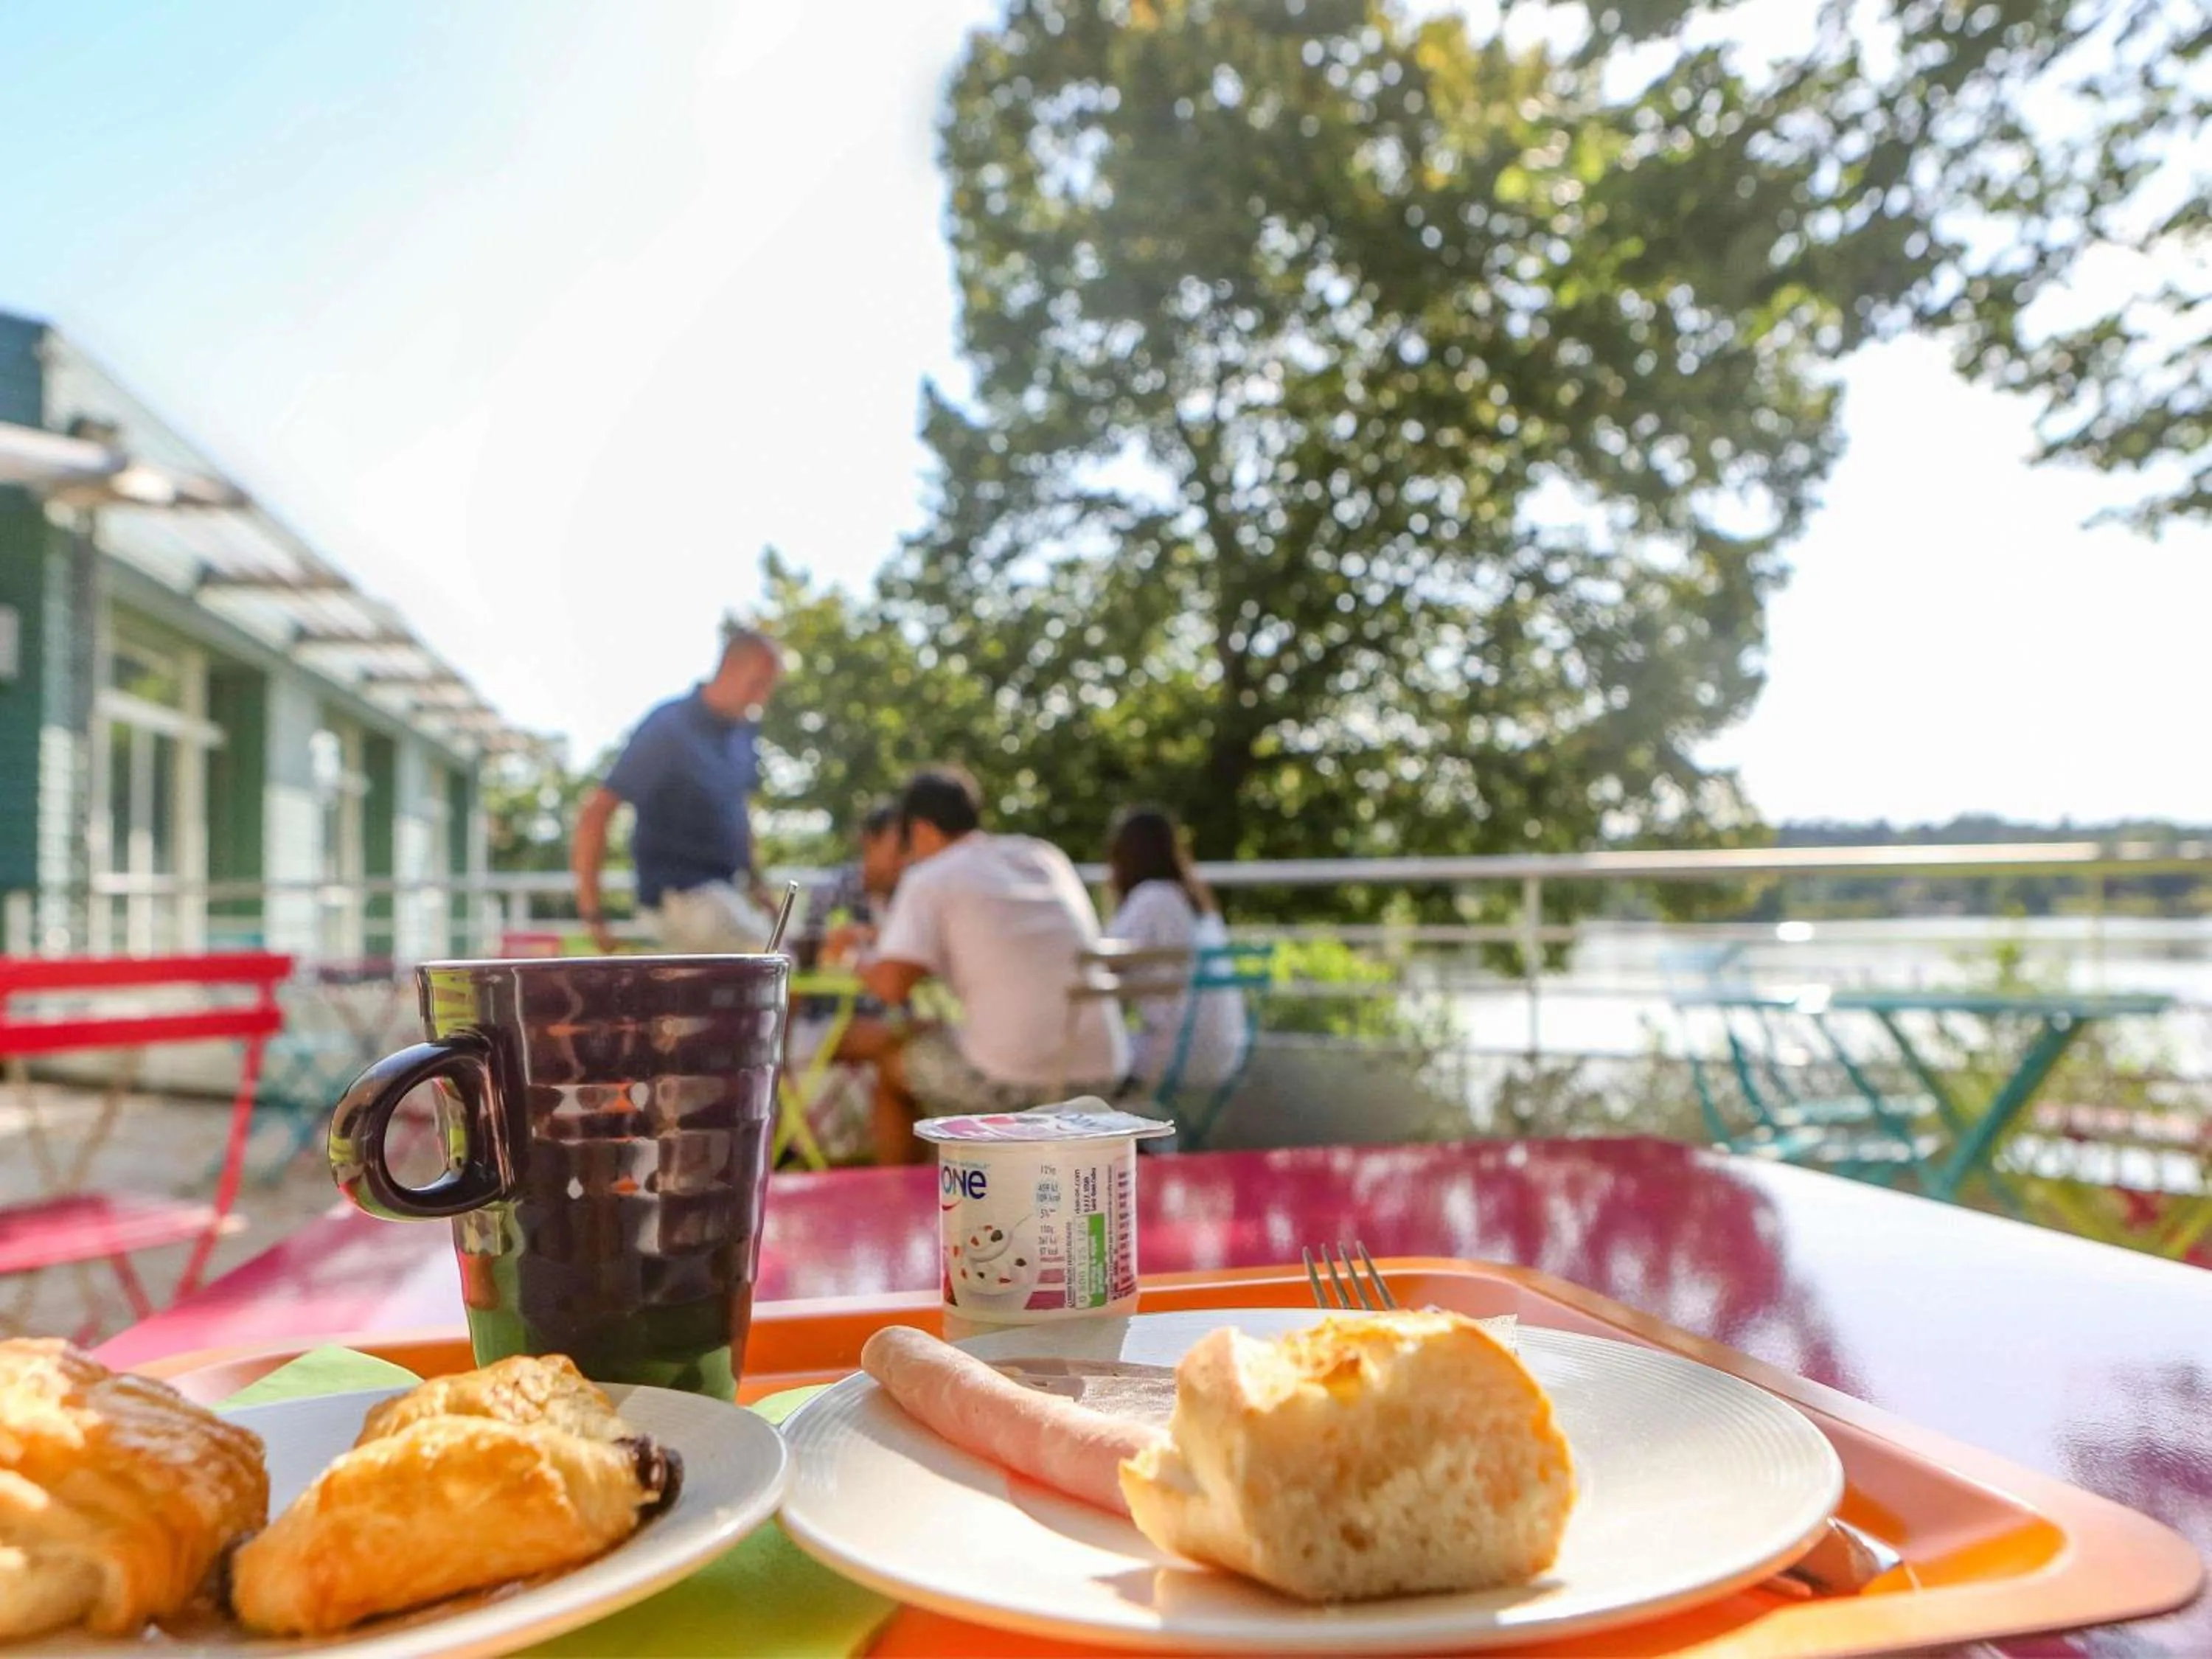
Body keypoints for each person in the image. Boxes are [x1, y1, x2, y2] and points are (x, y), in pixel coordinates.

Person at [839, 767, 1129, 1164]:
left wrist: (853, 959)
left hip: (1017, 1083)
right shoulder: (1043, 855)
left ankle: (899, 1205)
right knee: (942, 1035)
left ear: (921, 830)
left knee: (892, 1069)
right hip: (1106, 1072)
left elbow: (890, 987)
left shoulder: (931, 877)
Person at [571, 628, 782, 955]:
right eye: (758, 684)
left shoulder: (743, 735)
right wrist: (593, 912)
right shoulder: (669, 726)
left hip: (726, 893)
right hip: (676, 898)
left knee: (774, 945)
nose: (762, 698)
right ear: (730, 669)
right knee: (771, 957)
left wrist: (759, 886)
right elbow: (597, 811)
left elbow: (740, 816)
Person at [1104, 805, 1249, 1096]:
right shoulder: (1196, 903)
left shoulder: (1152, 898)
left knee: (1084, 1060)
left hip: (1176, 1052)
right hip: (1225, 1050)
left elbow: (1103, 963)